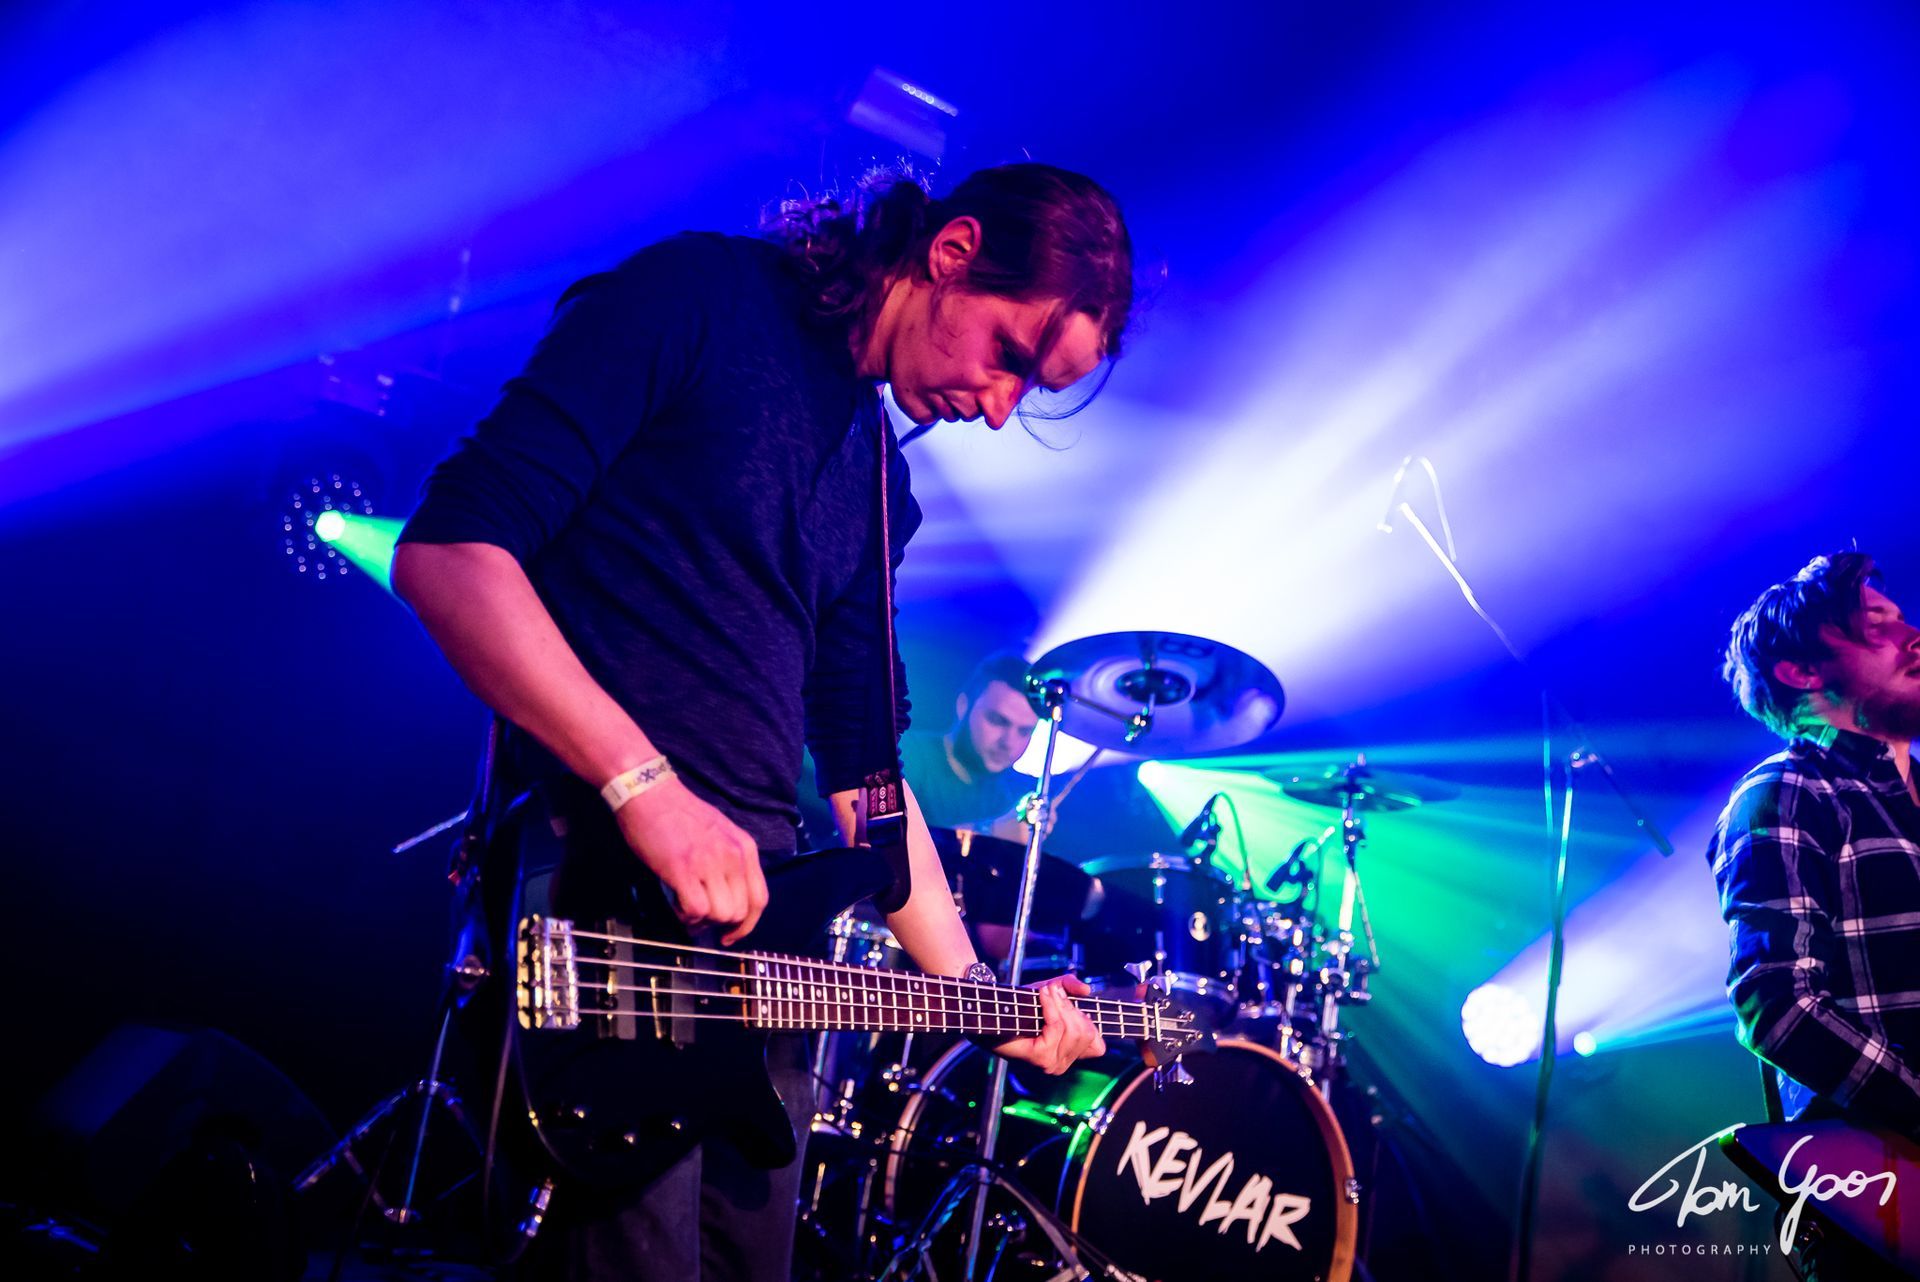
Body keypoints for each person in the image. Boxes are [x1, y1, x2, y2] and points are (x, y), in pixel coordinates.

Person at [390, 162, 1134, 1281]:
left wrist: (984, 1003)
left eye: (1029, 390)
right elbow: (450, 555)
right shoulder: (696, 297)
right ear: (952, 254)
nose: (997, 407)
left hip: (763, 959)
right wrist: (646, 789)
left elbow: (870, 785)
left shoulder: (878, 483)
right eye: (1010, 355)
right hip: (602, 904)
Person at [1710, 551, 1920, 1281]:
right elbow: (1776, 1005)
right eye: (1876, 625)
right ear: (1801, 671)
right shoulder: (1789, 792)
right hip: (1888, 1205)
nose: (1912, 635)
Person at [899, 649, 1045, 839]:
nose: (1009, 742)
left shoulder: (1004, 799)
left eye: (1024, 731)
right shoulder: (907, 754)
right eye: (997, 720)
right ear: (963, 706)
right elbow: (882, 845)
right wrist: (989, 832)